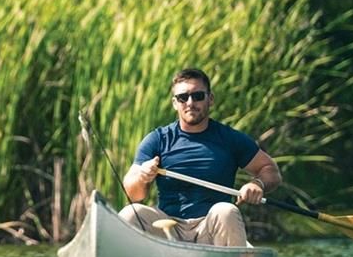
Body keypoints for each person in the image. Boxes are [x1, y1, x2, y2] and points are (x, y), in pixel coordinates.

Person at [120, 67, 282, 246]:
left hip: (211, 227)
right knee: (130, 213)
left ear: (210, 99)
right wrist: (143, 177)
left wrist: (256, 184)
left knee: (226, 210)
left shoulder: (230, 138)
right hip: (168, 227)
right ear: (175, 103)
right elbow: (132, 193)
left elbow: (270, 170)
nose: (190, 103)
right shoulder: (157, 139)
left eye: (197, 96)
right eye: (183, 97)